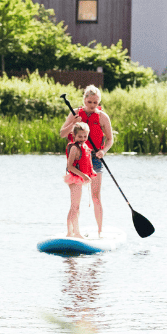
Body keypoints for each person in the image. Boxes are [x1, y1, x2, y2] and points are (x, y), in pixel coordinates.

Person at [58, 85, 113, 237]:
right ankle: (72, 232)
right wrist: (73, 124)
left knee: (96, 197)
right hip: (76, 159)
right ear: (84, 100)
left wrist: (103, 151)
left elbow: (110, 140)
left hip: (95, 158)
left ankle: (100, 231)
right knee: (75, 201)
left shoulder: (102, 117)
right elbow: (62, 134)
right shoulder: (75, 113)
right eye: (89, 102)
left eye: (95, 102)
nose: (92, 105)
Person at [63, 122, 97, 237]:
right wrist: (83, 175)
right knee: (75, 207)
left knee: (74, 207)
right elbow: (69, 166)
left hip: (79, 178)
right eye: (80, 136)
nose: (82, 139)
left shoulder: (84, 146)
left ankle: (70, 232)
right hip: (74, 179)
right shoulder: (74, 148)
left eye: (85, 136)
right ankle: (75, 233)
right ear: (74, 135)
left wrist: (90, 173)